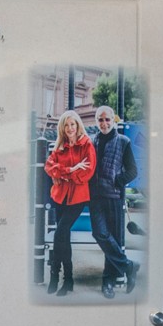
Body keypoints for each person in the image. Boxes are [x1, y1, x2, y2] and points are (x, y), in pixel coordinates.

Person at [88, 104, 140, 298]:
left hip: (114, 197)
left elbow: (132, 171)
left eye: (107, 119)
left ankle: (107, 282)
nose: (104, 123)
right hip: (95, 197)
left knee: (115, 240)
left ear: (113, 120)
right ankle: (128, 266)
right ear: (96, 122)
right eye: (100, 120)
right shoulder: (92, 142)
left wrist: (117, 181)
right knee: (100, 234)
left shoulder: (124, 141)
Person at [43, 109, 96, 296]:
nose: (70, 128)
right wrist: (71, 169)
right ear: (62, 128)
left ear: (78, 125)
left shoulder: (86, 144)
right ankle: (68, 281)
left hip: (77, 198)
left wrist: (63, 173)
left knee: (60, 233)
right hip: (60, 197)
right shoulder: (59, 147)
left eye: (72, 124)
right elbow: (49, 167)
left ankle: (56, 277)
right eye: (66, 125)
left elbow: (87, 172)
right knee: (63, 237)